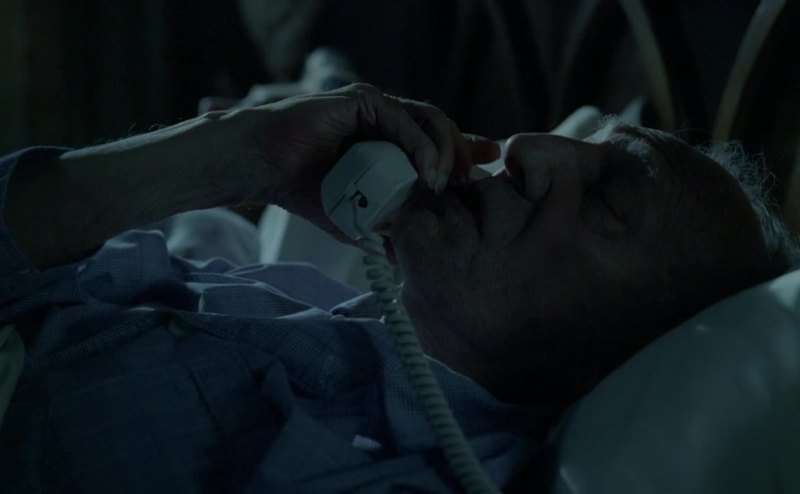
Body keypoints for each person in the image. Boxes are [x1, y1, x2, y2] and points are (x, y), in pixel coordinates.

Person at [0, 83, 795, 492]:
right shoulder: (297, 301)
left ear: (637, 352)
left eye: (609, 199)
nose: (529, 147)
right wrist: (238, 153)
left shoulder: (397, 474)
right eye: (582, 146)